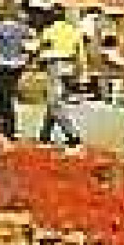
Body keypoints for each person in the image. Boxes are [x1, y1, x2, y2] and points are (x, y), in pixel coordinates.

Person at [37, 8, 85, 149]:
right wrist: (80, 70)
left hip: (54, 64)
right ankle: (45, 134)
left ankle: (72, 134)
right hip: (69, 64)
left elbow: (41, 48)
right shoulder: (74, 31)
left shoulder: (49, 31)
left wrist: (38, 59)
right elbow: (80, 53)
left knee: (54, 102)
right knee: (54, 99)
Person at [0, 8, 36, 141]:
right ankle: (9, 127)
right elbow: (31, 46)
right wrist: (26, 59)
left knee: (3, 97)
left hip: (2, 65)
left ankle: (7, 128)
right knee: (9, 96)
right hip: (17, 66)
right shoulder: (24, 29)